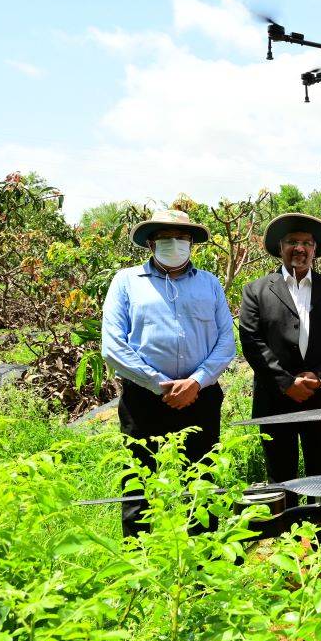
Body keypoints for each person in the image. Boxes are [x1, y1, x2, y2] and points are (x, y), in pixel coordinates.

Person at [101, 209, 236, 537]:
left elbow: (226, 342)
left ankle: (205, 565)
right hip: (143, 399)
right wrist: (159, 384)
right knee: (138, 482)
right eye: (165, 238)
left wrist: (195, 382)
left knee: (201, 481)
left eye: (182, 238)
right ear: (150, 243)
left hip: (200, 397)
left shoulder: (209, 284)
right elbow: (113, 346)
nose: (174, 244)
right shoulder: (126, 282)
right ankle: (139, 565)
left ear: (191, 243)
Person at [238, 213, 321, 550]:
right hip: (275, 399)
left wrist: (318, 378)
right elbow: (252, 341)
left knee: (320, 469)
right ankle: (285, 543)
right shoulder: (256, 290)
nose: (299, 248)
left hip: (320, 397)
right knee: (281, 473)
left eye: (306, 243)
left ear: (315, 249)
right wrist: (286, 382)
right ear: (280, 249)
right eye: (292, 242)